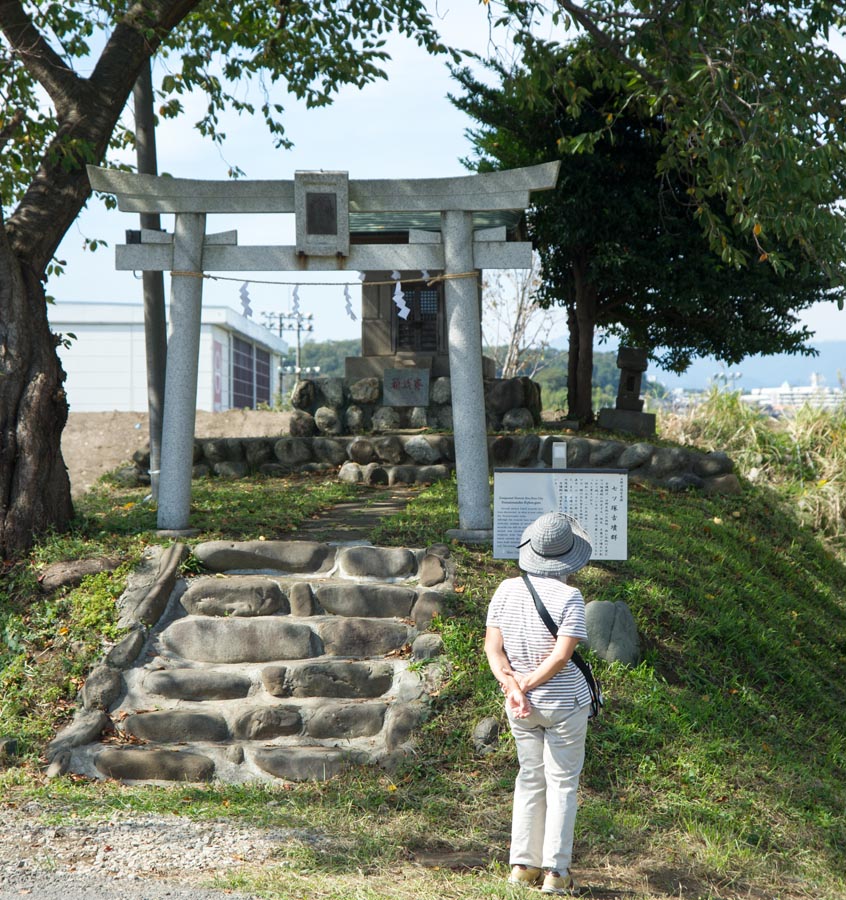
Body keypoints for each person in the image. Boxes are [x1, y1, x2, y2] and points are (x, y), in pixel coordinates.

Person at [485, 511, 593, 895]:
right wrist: (527, 682)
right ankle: (556, 872)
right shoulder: (571, 596)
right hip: (564, 705)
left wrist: (512, 684)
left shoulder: (505, 589)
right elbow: (562, 656)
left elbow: (493, 648)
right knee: (562, 784)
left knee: (530, 778)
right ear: (569, 558)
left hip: (520, 707)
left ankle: (522, 866)